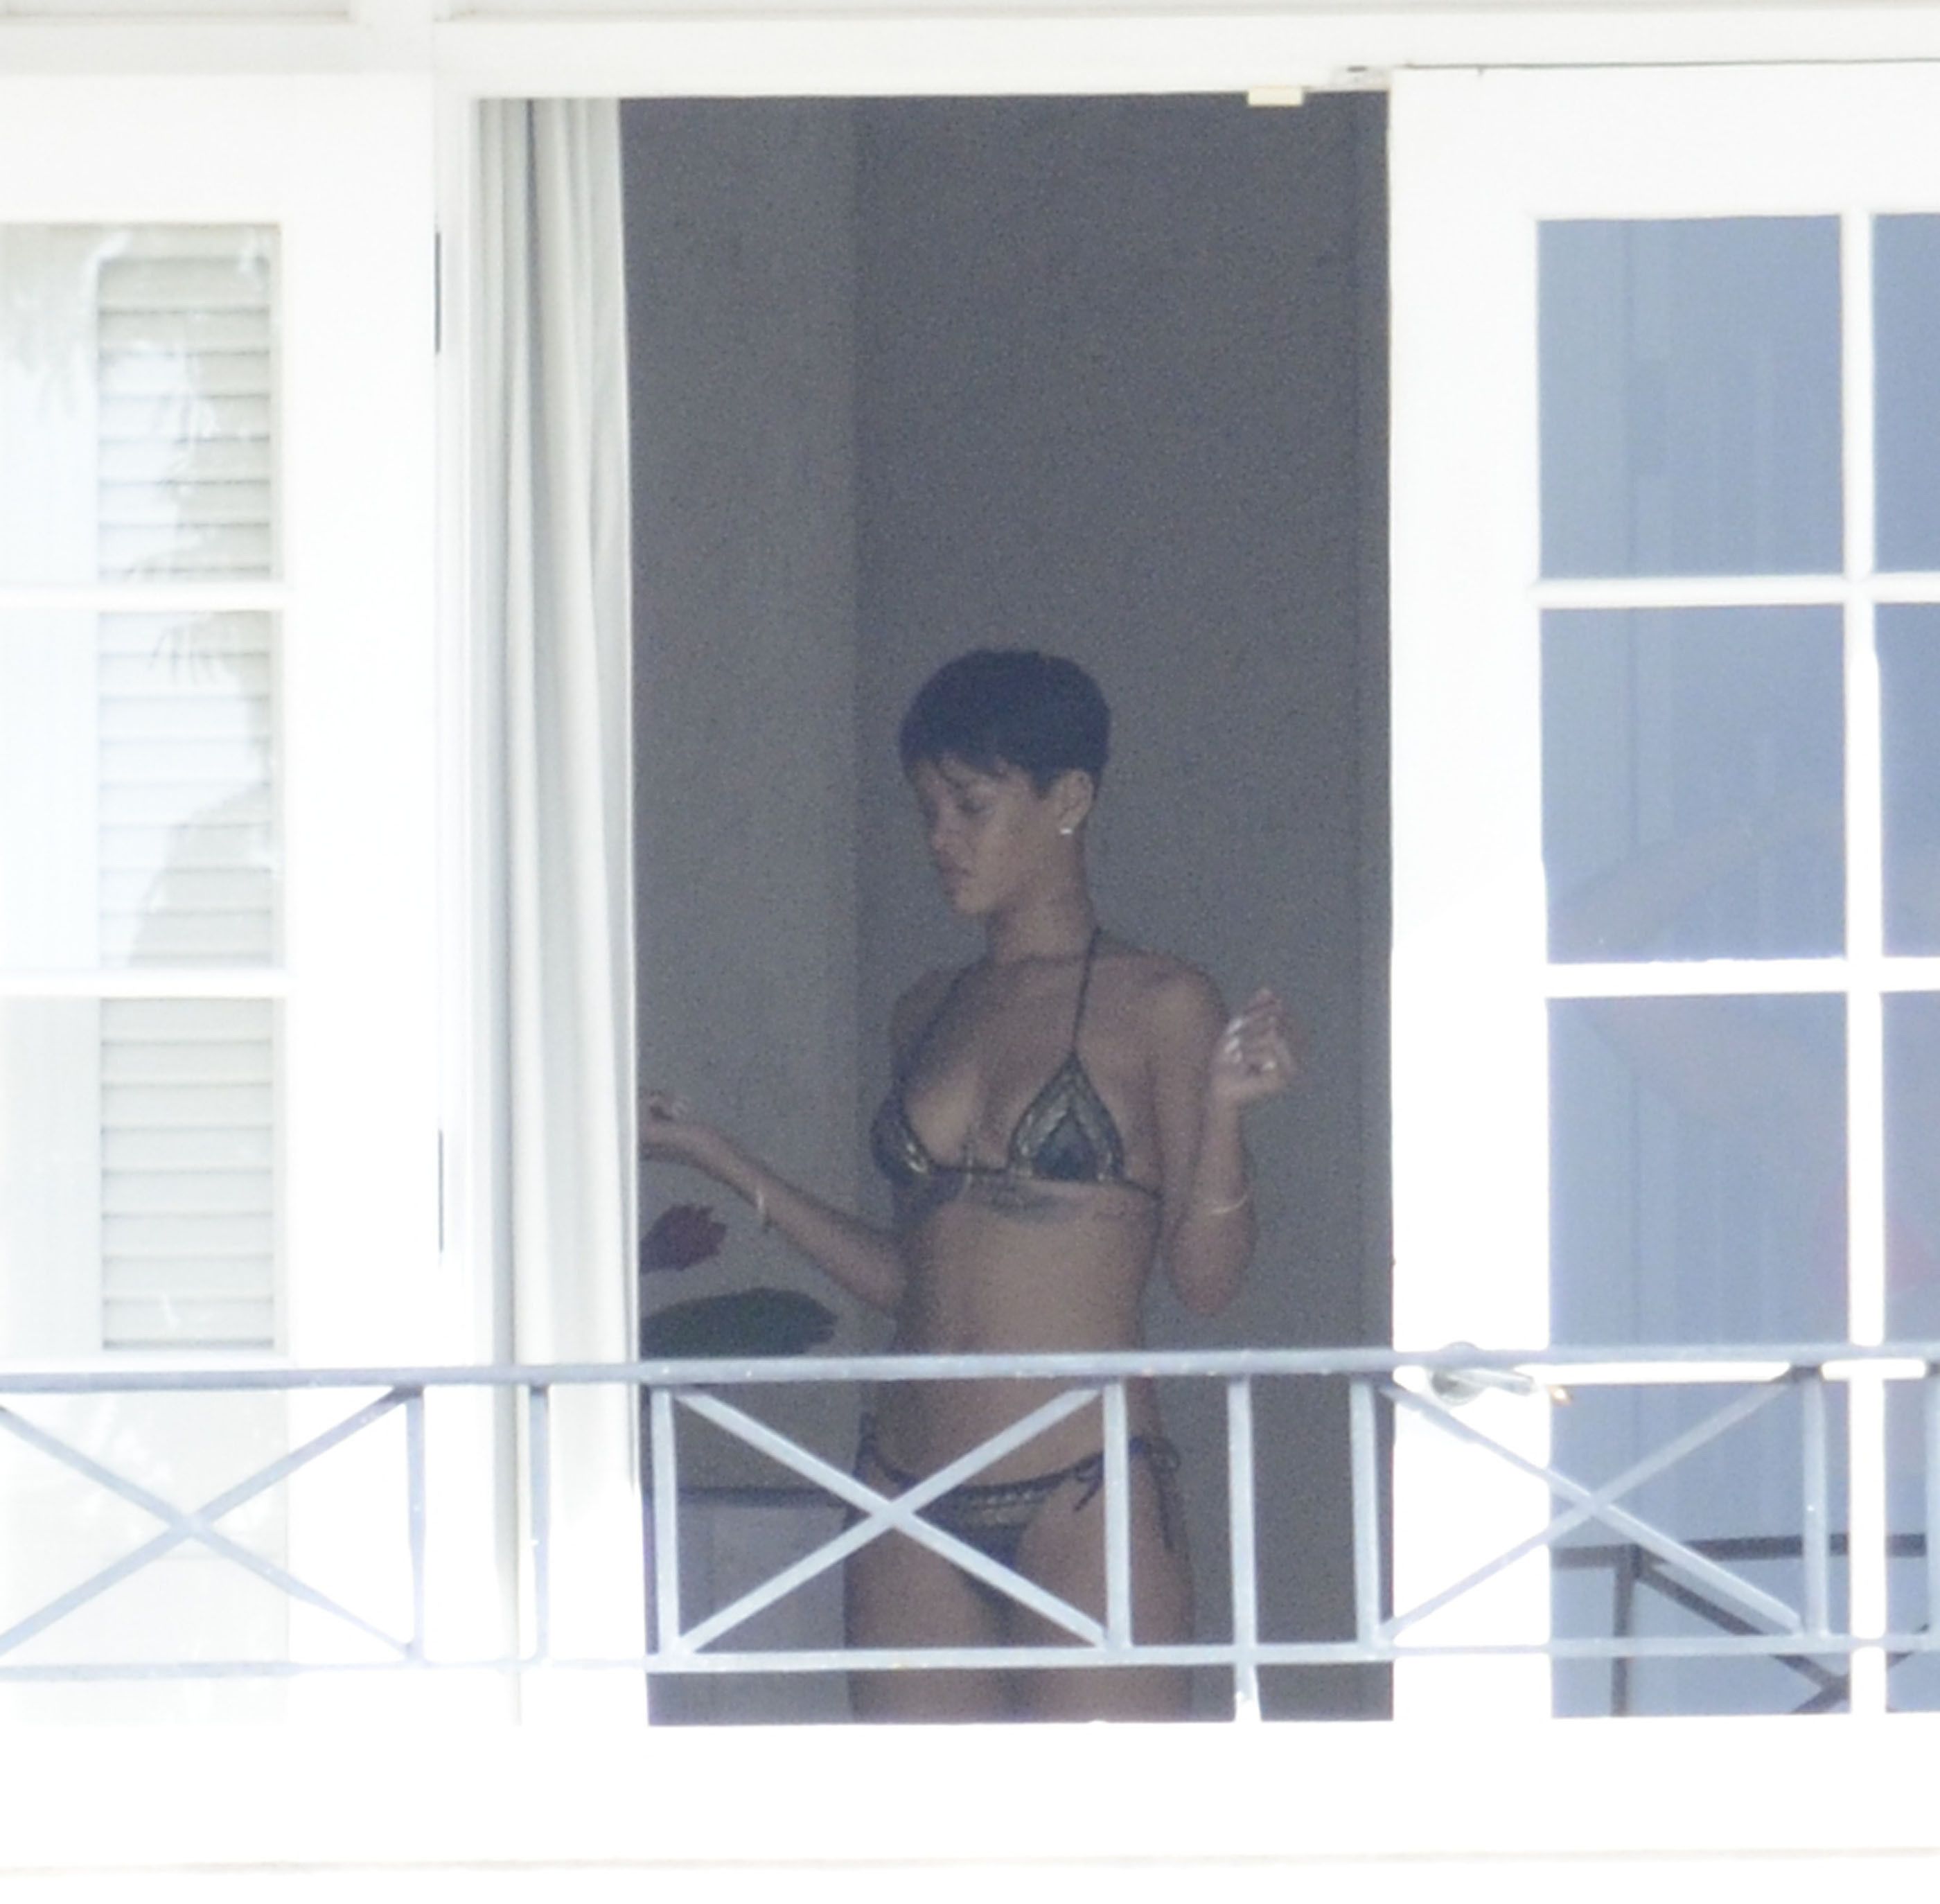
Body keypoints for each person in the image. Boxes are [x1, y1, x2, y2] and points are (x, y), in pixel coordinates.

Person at [641, 649, 1297, 1719]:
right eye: (928, 809)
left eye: (972, 806)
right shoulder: (928, 1009)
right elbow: (915, 1278)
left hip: (1082, 1480)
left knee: (1112, 1821)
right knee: (921, 1817)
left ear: (1069, 799)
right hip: (907, 1478)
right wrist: (716, 1155)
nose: (941, 839)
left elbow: (1206, 1283)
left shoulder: (1159, 1003)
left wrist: (1223, 1115)